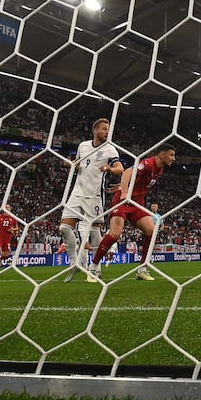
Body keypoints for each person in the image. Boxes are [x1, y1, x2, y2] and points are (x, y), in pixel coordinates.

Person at [88, 143, 176, 281]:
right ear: (162, 155)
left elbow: (136, 180)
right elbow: (128, 172)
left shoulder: (159, 170)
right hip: (123, 201)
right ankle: (93, 267)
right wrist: (124, 191)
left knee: (151, 231)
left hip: (137, 203)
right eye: (171, 155)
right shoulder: (147, 163)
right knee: (115, 234)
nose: (173, 158)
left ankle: (142, 269)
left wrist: (125, 185)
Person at [59, 118, 123, 282]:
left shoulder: (110, 149)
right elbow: (80, 164)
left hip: (94, 195)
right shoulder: (83, 146)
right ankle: (74, 264)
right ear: (95, 131)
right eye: (104, 129)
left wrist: (109, 168)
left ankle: (96, 269)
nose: (107, 132)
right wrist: (71, 164)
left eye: (108, 129)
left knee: (94, 232)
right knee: (64, 228)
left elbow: (119, 168)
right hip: (77, 193)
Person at [0, 204, 19, 274]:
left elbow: (17, 228)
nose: (7, 208)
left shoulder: (13, 218)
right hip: (0, 236)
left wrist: (13, 229)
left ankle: (0, 259)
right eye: (6, 207)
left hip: (7, 238)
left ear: (10, 209)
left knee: (6, 255)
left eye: (8, 207)